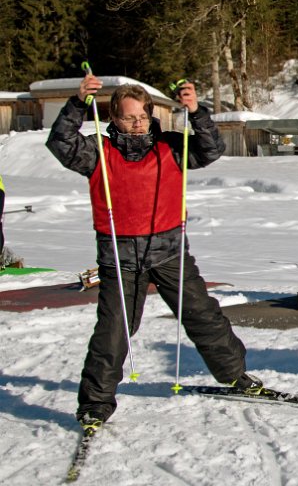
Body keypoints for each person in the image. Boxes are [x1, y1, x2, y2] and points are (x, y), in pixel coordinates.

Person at [46, 75, 262, 431]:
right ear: (114, 118)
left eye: (143, 116)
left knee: (202, 316)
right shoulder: (97, 151)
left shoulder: (171, 146)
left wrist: (196, 112)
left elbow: (211, 149)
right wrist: (77, 104)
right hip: (120, 258)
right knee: (113, 331)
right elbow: (60, 143)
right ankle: (95, 404)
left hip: (169, 252)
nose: (137, 123)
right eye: (129, 117)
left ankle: (236, 375)